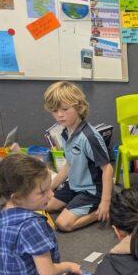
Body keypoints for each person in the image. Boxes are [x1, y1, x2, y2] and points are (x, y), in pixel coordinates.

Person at [43, 81, 113, 232]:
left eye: (65, 109)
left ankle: (101, 211)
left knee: (63, 224)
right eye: (54, 111)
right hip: (74, 185)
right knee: (46, 205)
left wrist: (105, 202)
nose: (59, 115)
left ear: (79, 107)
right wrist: (50, 188)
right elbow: (69, 164)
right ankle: (76, 205)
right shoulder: (65, 132)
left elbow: (107, 169)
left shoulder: (89, 137)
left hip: (91, 190)